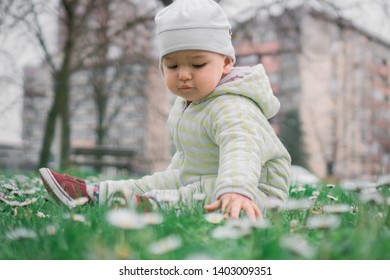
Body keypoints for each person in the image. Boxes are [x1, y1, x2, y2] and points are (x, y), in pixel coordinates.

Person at [39, 0, 291, 222]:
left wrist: (237, 189)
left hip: (253, 191)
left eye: (197, 64)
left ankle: (153, 206)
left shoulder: (234, 105)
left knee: (200, 193)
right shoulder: (188, 104)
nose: (183, 74)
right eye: (172, 65)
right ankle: (95, 194)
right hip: (205, 178)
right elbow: (186, 158)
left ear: (226, 63)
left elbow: (242, 149)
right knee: (157, 180)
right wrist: (165, 183)